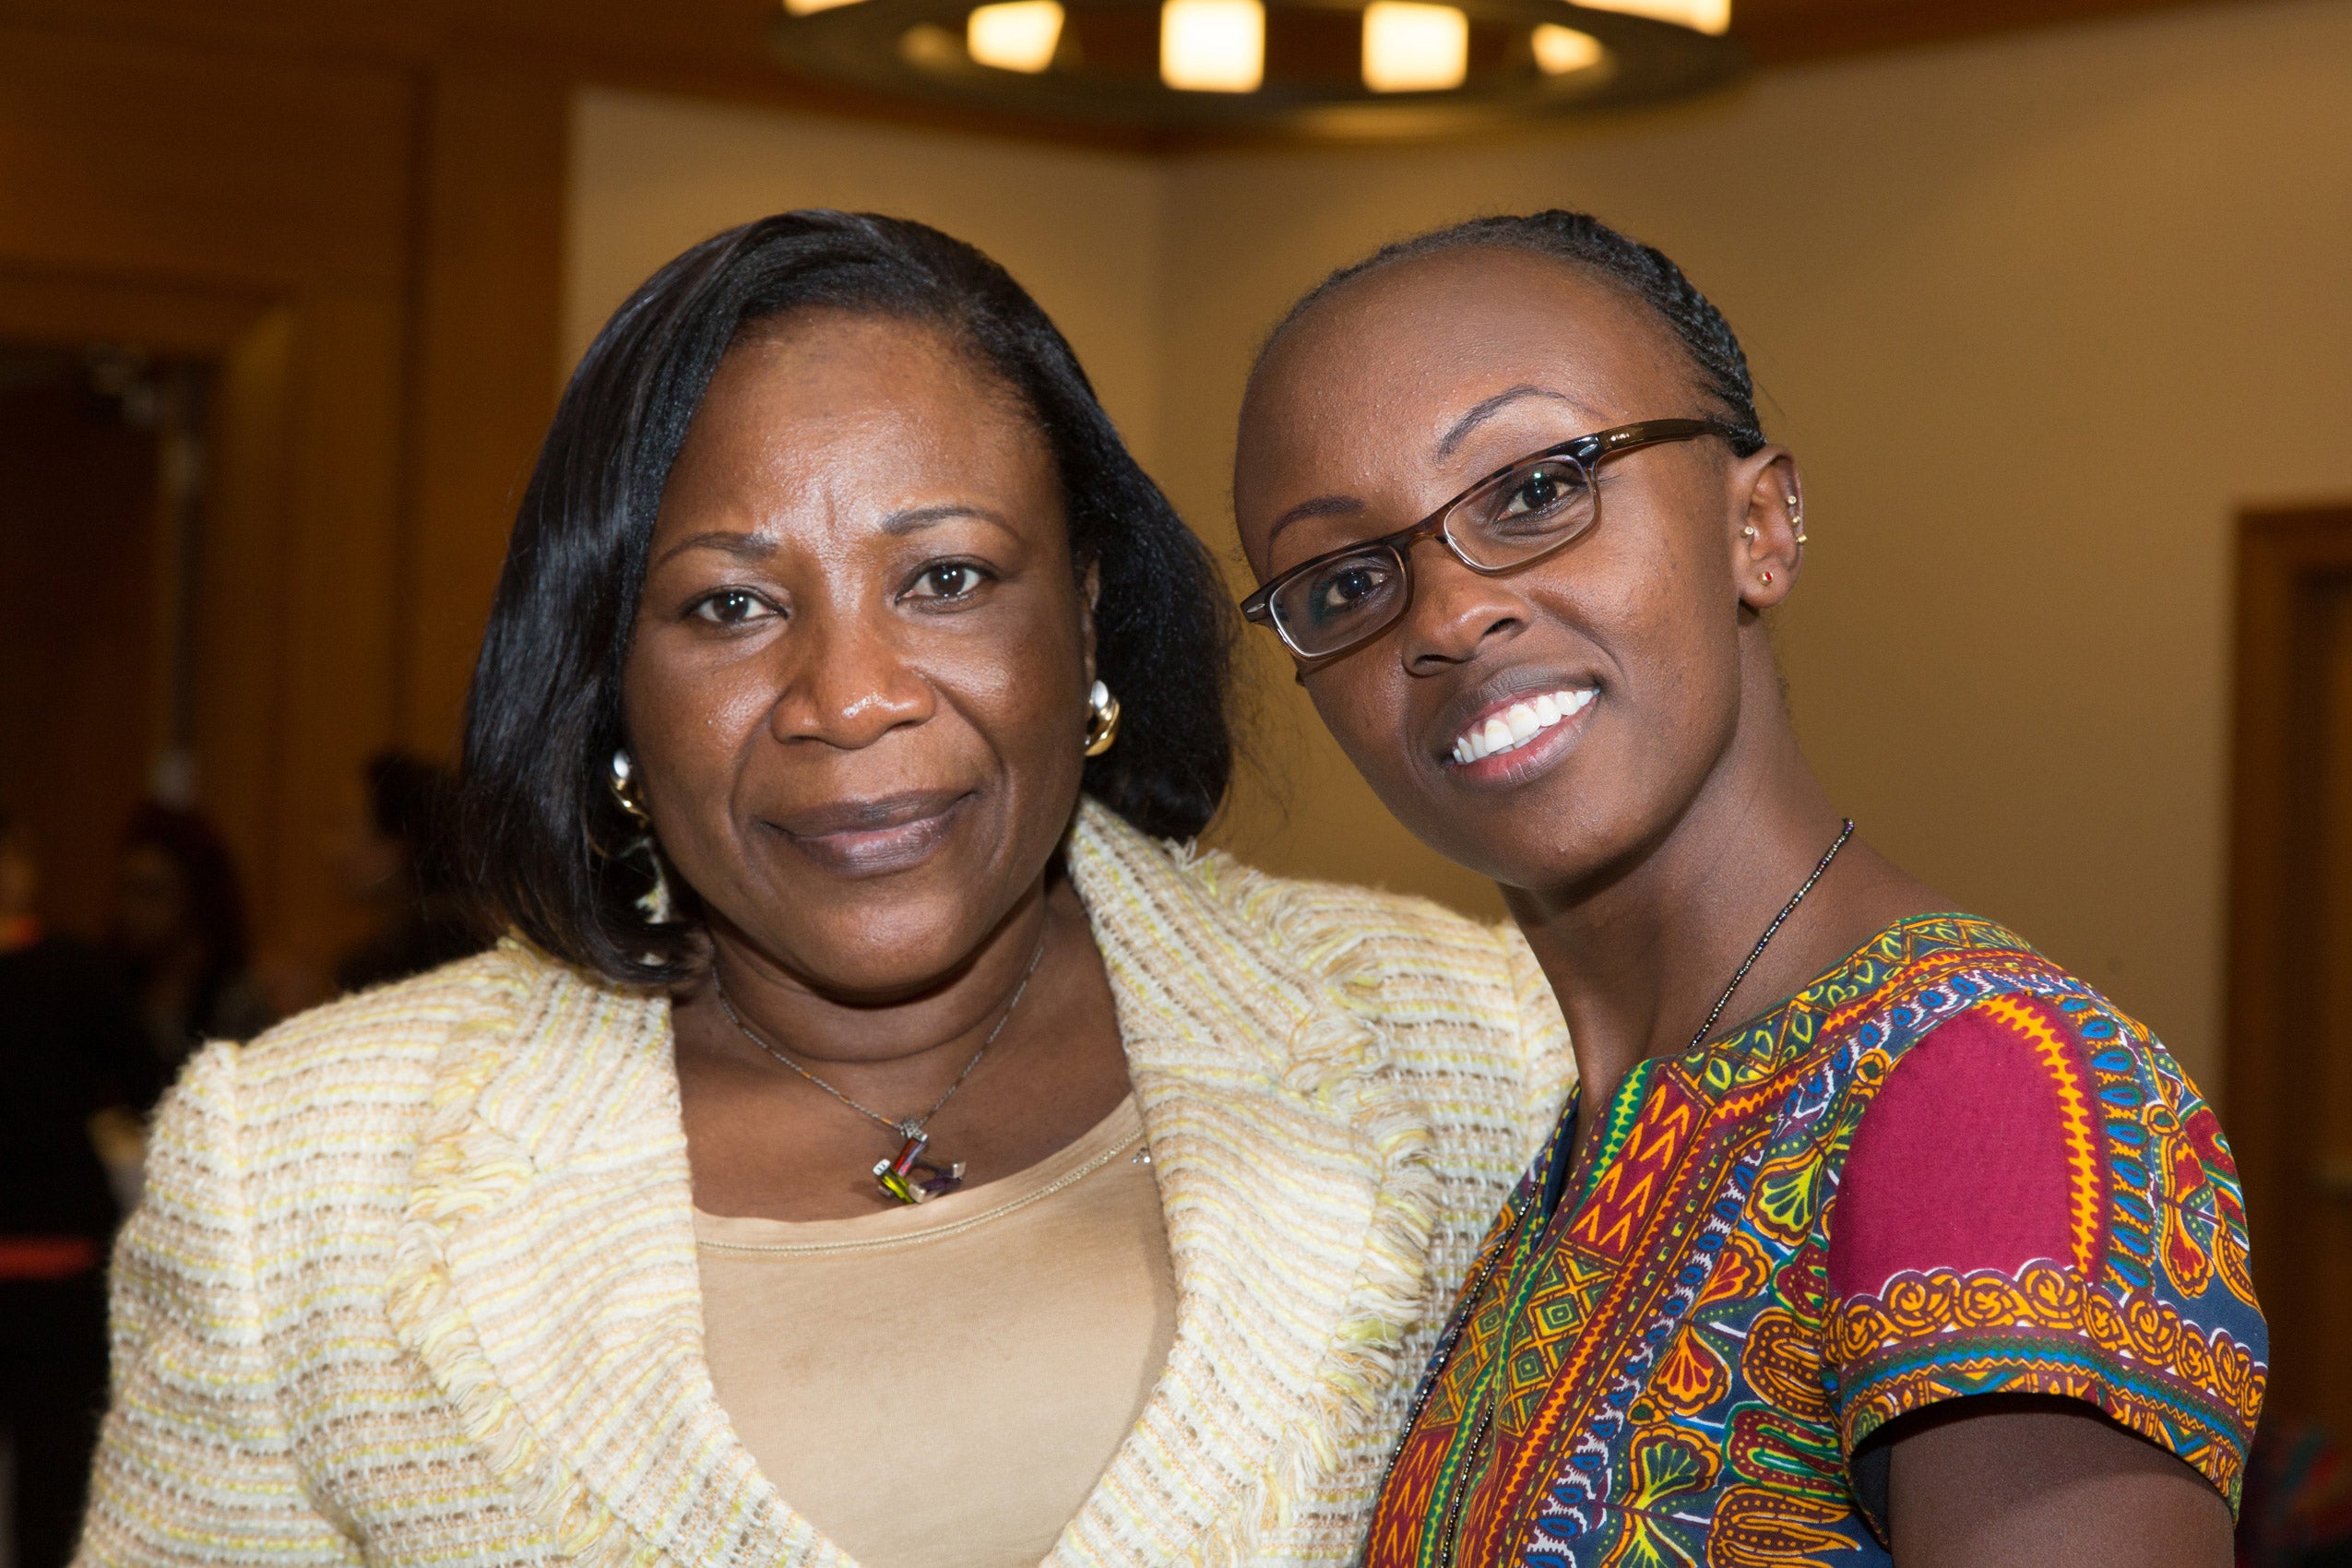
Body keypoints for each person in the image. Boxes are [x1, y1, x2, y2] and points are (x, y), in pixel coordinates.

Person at [77, 212, 1576, 1568]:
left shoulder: (1478, 1048)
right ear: (613, 680)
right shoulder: (299, 1183)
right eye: (730, 606)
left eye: (947, 579)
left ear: (1088, 610)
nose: (849, 699)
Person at [1230, 212, 2264, 1567]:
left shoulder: (1983, 1086)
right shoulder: (1557, 1157)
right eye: (1346, 580)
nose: (1444, 618)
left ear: (1758, 525)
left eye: (1535, 490)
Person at [0, 811, 157, 1568]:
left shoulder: (71, 966)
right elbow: (153, 1082)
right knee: (56, 1500)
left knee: (55, 1493)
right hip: (61, 1264)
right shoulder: (71, 969)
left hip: (56, 1263)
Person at [106, 802, 276, 1069]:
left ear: (195, 899)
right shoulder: (113, 989)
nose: (131, 910)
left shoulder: (235, 1000)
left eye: (151, 894)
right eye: (124, 890)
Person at [331, 750, 480, 992]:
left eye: (346, 825)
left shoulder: (426, 959)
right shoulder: (465, 938)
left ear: (399, 846)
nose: (333, 849)